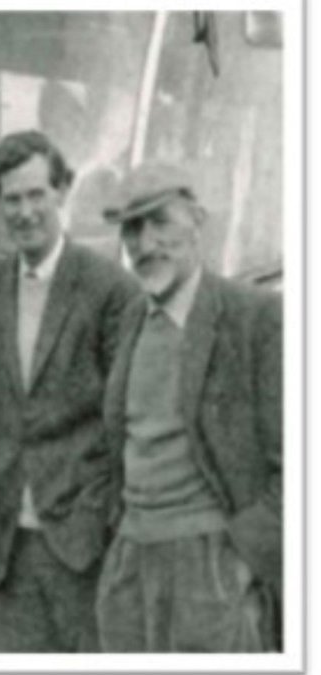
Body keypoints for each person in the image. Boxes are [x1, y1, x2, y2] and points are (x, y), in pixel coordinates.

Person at [95, 162, 282, 652]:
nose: (145, 243)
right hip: (131, 563)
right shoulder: (133, 316)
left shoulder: (254, 315)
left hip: (209, 565)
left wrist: (242, 563)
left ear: (197, 223)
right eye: (133, 228)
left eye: (160, 222)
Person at [0, 131, 140, 652]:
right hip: (6, 543)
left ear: (62, 192)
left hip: (79, 541)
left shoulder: (110, 288)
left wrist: (100, 514)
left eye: (36, 195)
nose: (25, 212)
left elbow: (124, 418)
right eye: (12, 199)